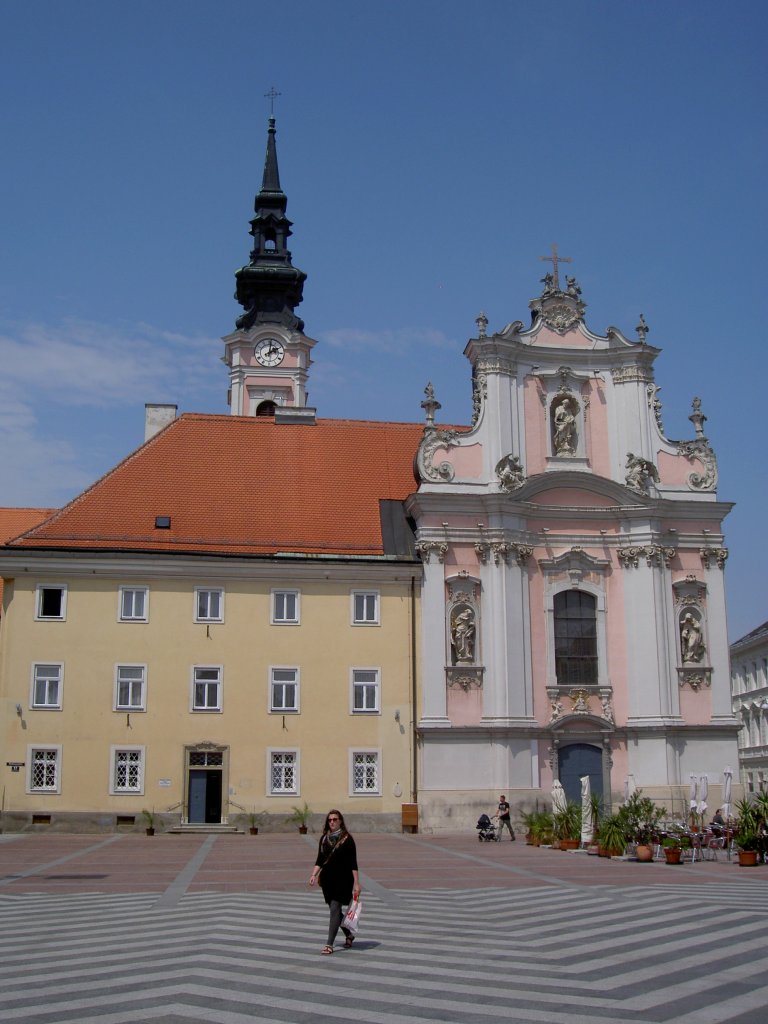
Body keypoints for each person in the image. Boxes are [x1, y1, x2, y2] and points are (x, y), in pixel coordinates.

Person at [309, 809, 361, 955]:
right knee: (335, 911)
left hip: (343, 880)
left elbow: (353, 863)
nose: (332, 822)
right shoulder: (324, 839)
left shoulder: (347, 839)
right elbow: (320, 859)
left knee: (334, 908)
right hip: (327, 880)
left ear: (340, 821)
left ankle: (329, 944)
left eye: (335, 819)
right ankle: (349, 934)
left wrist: (357, 884)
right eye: (330, 820)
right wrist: (314, 874)